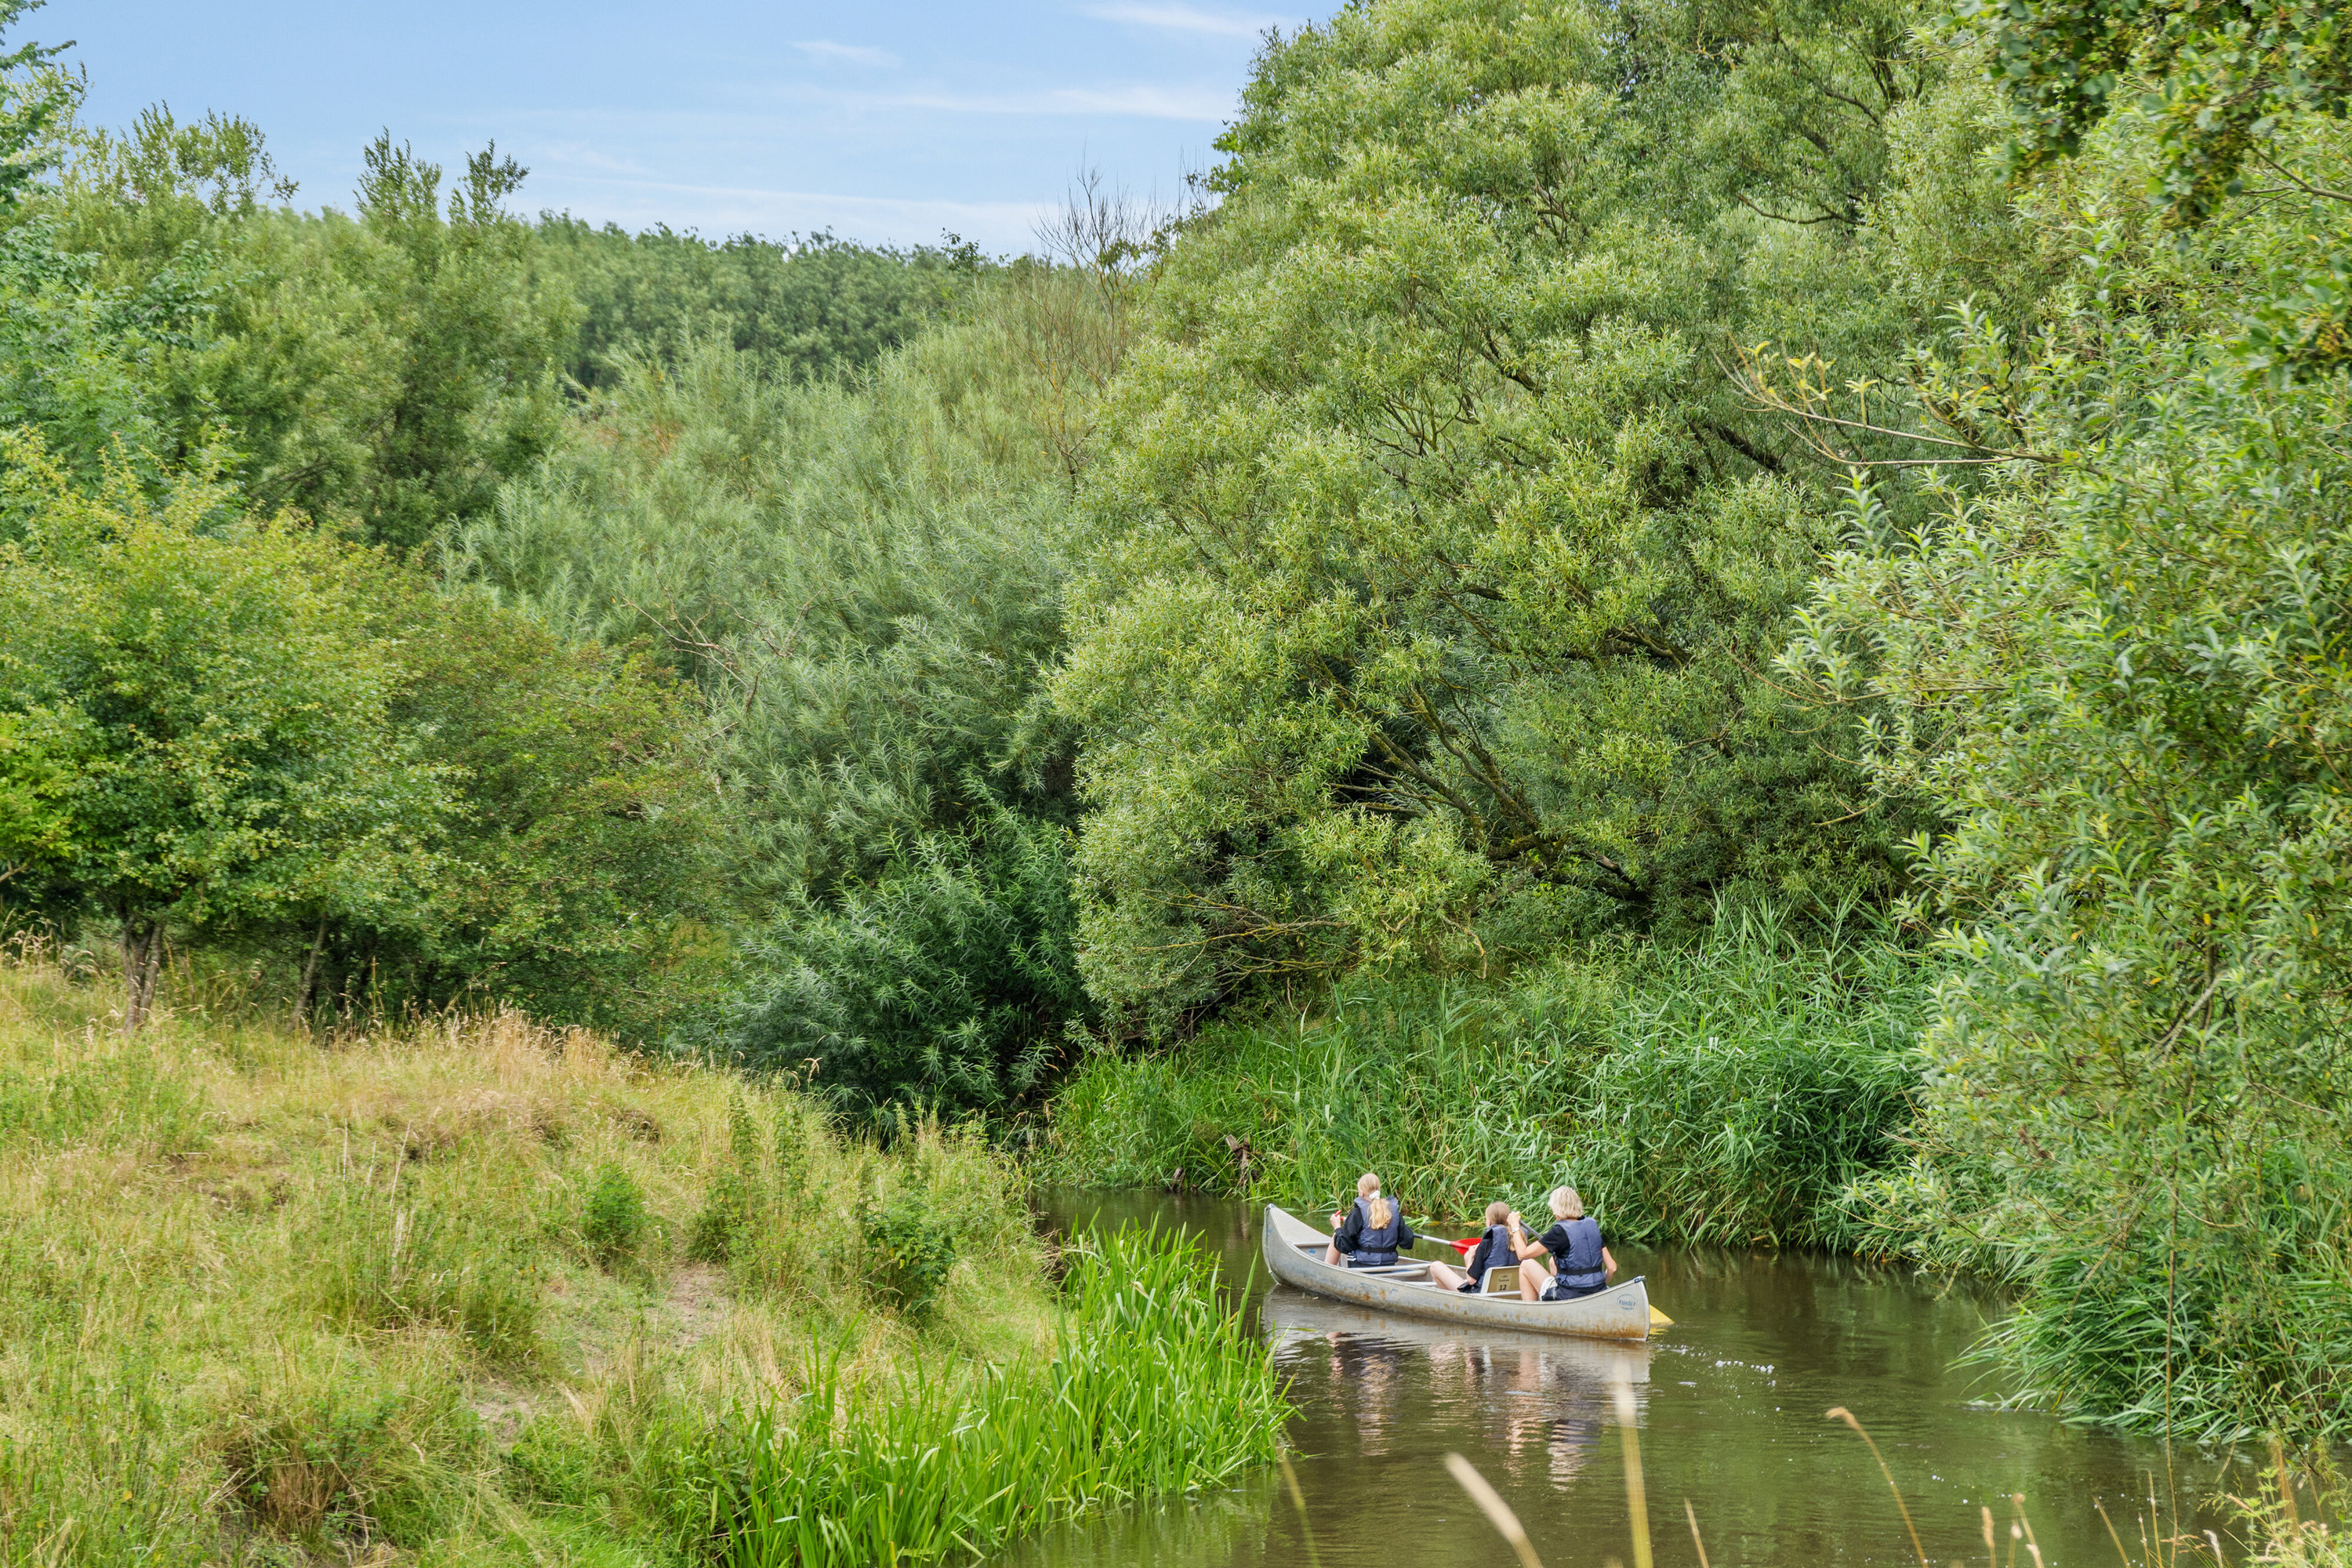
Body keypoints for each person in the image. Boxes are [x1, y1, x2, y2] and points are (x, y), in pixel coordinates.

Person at [1505, 1185, 1616, 1301]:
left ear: (1557, 1209)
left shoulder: (1559, 1232)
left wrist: (1515, 1227)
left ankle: (1531, 1313)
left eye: (1553, 1208)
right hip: (1598, 1290)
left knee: (1526, 1264)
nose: (1553, 1213)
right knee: (1552, 1261)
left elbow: (1522, 1254)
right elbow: (1612, 1268)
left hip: (1569, 1295)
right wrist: (1597, 1287)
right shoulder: (1591, 1226)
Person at [1324, 1171, 1416, 1267]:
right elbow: (1407, 1242)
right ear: (1379, 1190)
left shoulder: (1358, 1213)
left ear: (1361, 1192)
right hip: (1388, 1266)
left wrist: (1337, 1227)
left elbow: (1343, 1246)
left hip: (1362, 1267)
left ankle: (1327, 1270)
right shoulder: (1392, 1212)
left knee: (1337, 1236)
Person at [1427, 1200, 1512, 1294]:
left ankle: (1455, 1302)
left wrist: (1471, 1256)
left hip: (1480, 1294)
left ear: (1489, 1222)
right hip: (1507, 1292)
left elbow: (1472, 1281)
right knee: (1467, 1256)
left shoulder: (1486, 1243)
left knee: (1435, 1266)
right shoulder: (1516, 1242)